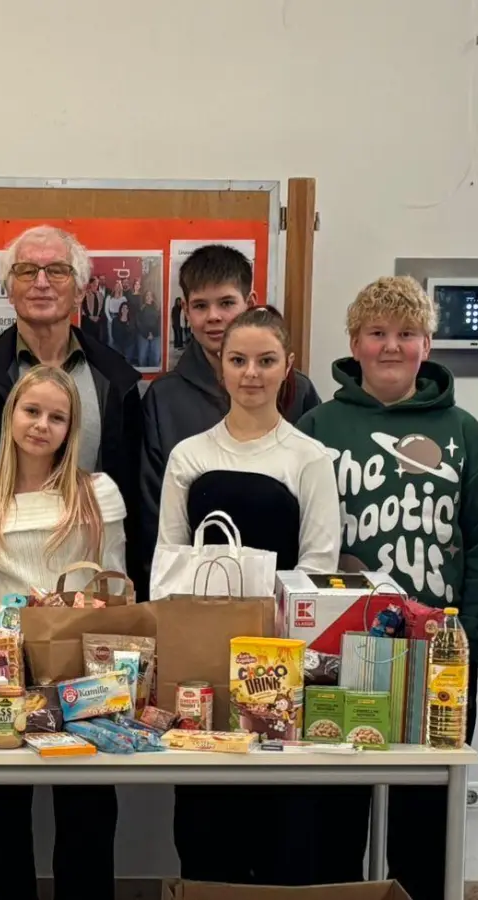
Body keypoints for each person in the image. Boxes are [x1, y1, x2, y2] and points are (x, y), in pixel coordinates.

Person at [295, 275, 478, 899]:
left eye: (406, 334)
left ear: (428, 343)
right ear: (354, 343)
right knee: (333, 808)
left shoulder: (464, 433)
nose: (392, 347)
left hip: (437, 648)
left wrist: (473, 634)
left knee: (425, 809)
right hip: (338, 648)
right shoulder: (317, 426)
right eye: (377, 334)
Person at [154, 306, 339, 885]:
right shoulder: (190, 456)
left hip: (278, 668)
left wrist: (274, 651)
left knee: (282, 832)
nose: (251, 373)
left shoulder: (308, 458)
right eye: (238, 360)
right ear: (220, 368)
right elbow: (169, 563)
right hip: (202, 667)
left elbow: (317, 568)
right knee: (207, 829)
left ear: (288, 368)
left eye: (265, 361)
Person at [0, 365, 127, 900]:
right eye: (32, 411)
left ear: (72, 430)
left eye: (57, 416)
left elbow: (114, 590)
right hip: (1, 674)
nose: (42, 425)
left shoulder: (96, 495)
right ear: (11, 417)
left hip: (83, 672)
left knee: (87, 810)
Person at [0, 223, 145, 601]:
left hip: (85, 598)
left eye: (57, 270)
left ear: (80, 289)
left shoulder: (116, 380)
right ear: (9, 289)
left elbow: (133, 498)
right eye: (27, 271)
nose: (41, 282)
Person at [142, 244, 320, 552]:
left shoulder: (297, 390)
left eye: (226, 302)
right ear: (185, 310)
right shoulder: (163, 397)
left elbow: (315, 506)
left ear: (250, 302)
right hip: (193, 585)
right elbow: (152, 510)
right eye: (200, 306)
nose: (214, 317)